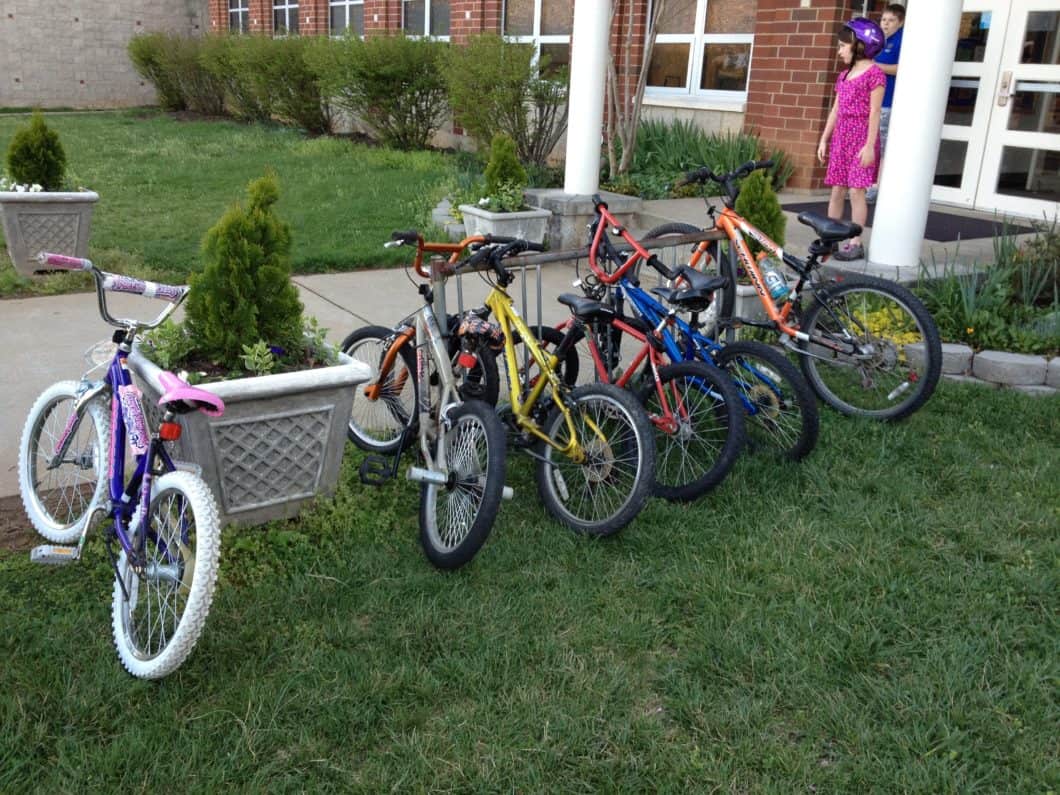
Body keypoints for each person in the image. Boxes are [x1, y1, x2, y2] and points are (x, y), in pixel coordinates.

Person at [816, 18, 886, 262]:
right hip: (841, 137)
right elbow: (835, 110)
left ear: (859, 45)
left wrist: (869, 146)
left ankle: (855, 242)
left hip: (862, 137)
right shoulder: (844, 75)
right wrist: (824, 139)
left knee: (856, 191)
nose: (839, 51)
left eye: (842, 46)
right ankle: (831, 238)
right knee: (837, 189)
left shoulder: (875, 74)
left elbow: (874, 112)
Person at [867, 3, 905, 202]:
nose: (886, 24)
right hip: (873, 101)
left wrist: (875, 66)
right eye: (883, 20)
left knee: (881, 146)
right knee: (870, 143)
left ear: (901, 22)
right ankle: (866, 183)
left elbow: (902, 68)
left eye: (891, 20)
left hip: (888, 102)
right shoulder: (880, 40)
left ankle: (877, 186)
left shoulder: (902, 40)